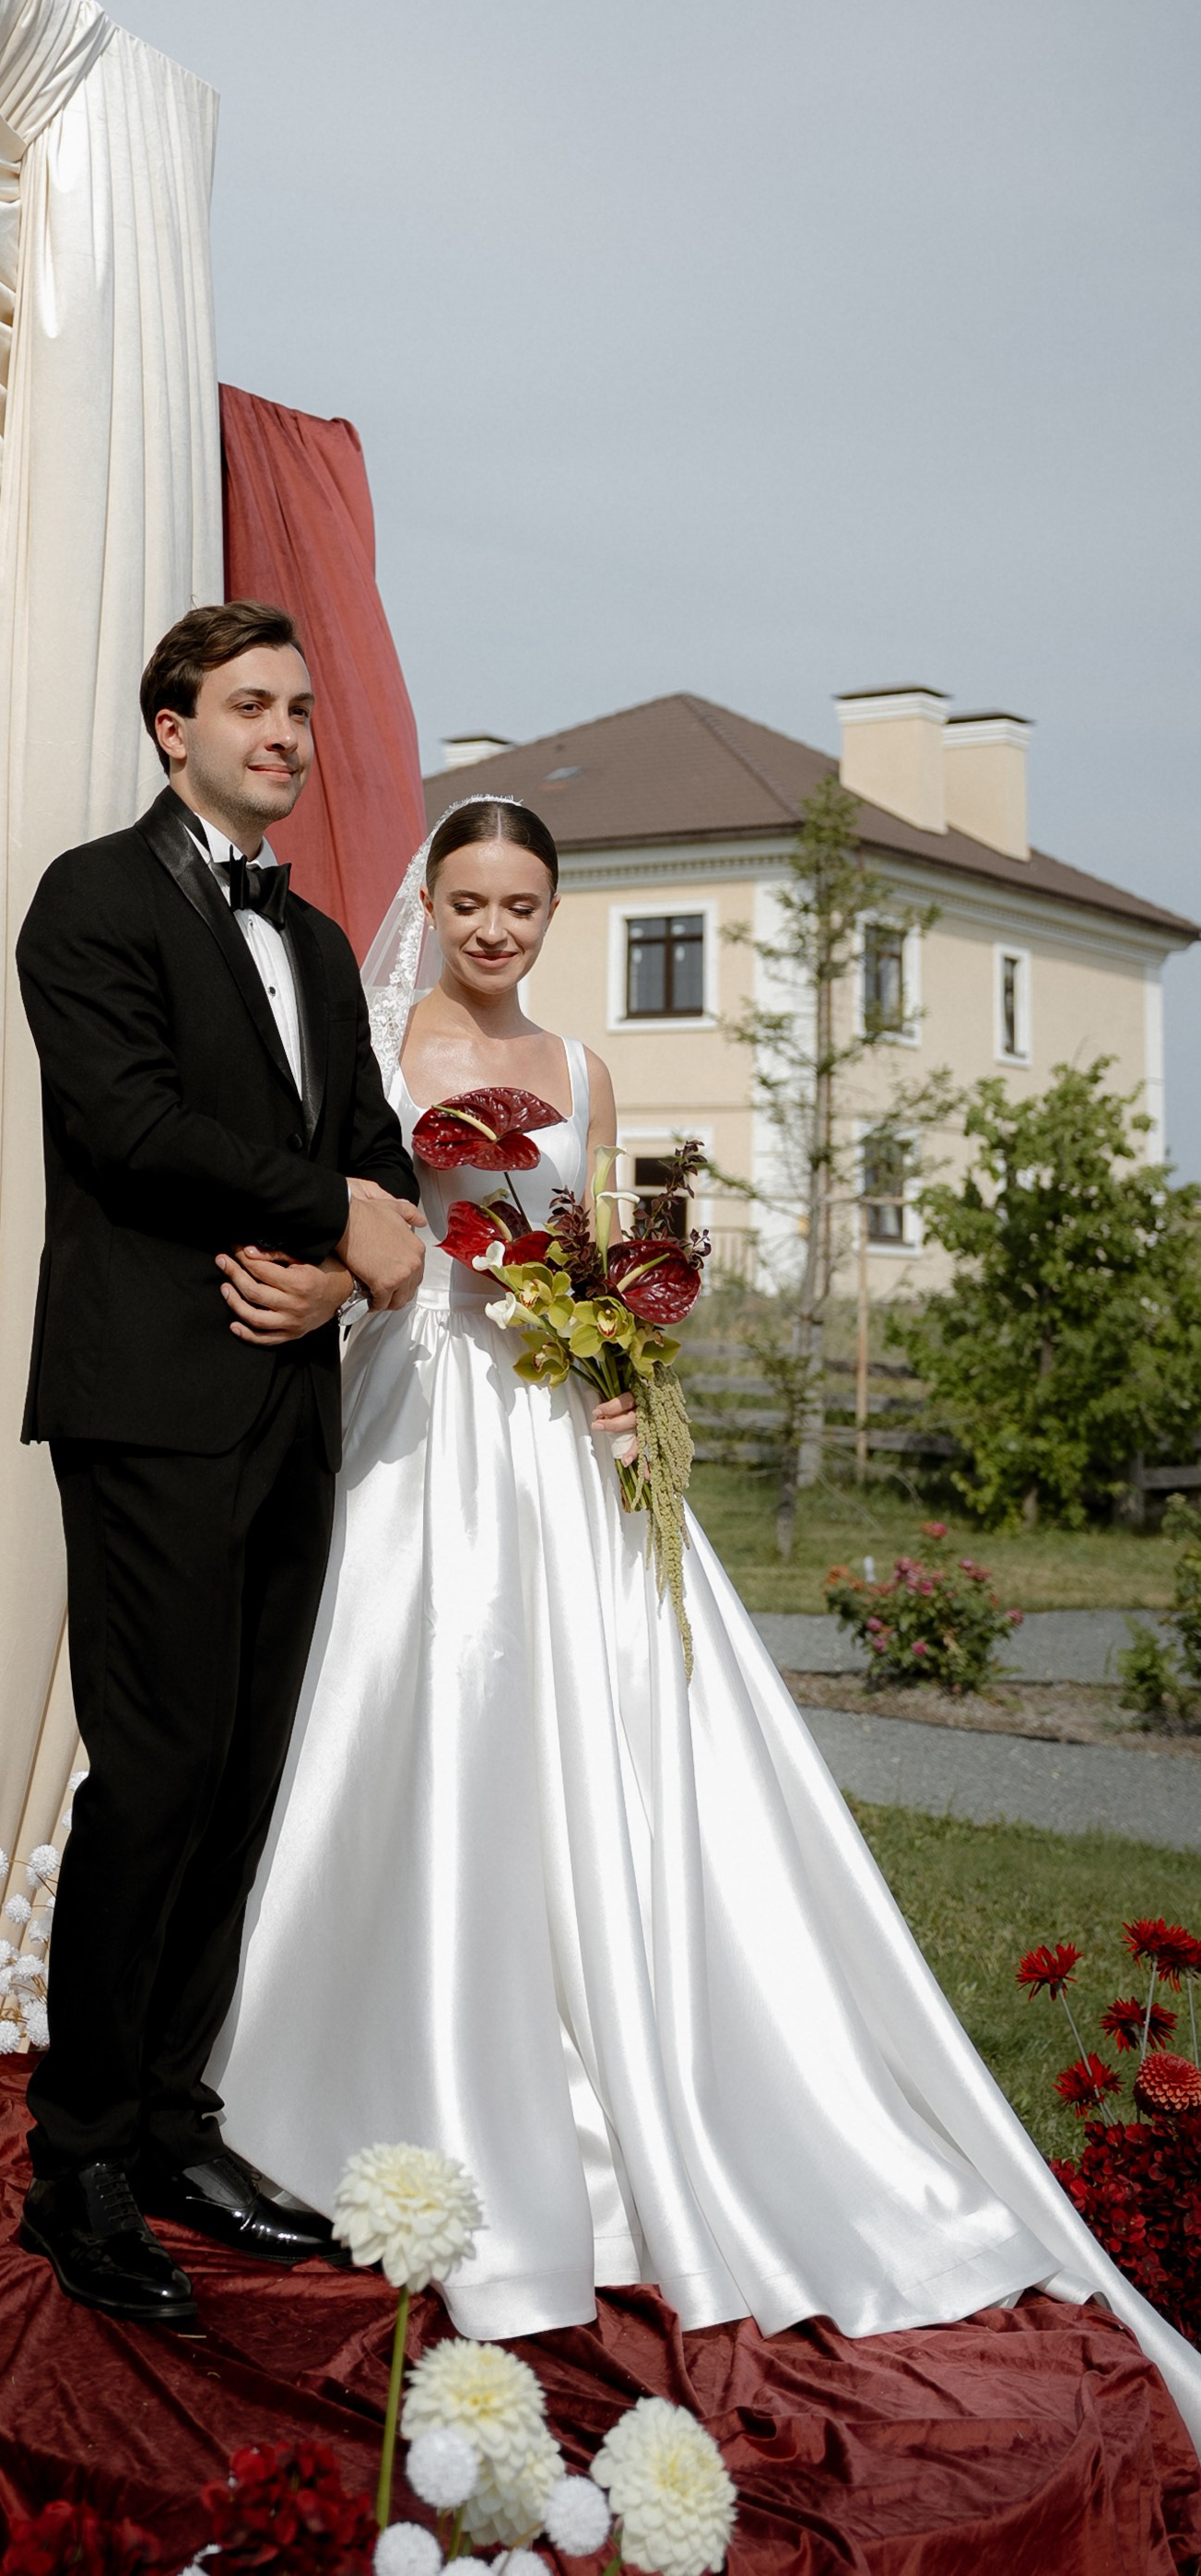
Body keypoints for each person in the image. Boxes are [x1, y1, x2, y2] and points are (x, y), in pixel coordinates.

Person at [215, 794, 1201, 2443]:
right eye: (468, 900)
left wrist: (618, 1356)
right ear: (429, 903)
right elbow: (359, 1221)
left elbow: (602, 1240)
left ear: (552, 908)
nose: (494, 930)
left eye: (522, 903)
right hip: (423, 1411)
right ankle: (351, 2045)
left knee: (602, 1721)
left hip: (556, 1430)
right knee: (410, 1699)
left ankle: (630, 2032)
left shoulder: (587, 1070)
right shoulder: (371, 1045)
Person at [10, 601, 425, 2322]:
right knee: (154, 1776)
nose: (288, 730)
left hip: (290, 1409)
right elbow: (125, 1123)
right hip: (149, 1402)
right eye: (251, 704)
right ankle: (78, 2161)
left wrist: (342, 1259)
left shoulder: (322, 944)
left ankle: (178, 2121)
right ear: (169, 725)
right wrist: (327, 1211)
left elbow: (378, 1158)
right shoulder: (90, 899)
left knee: (241, 1778)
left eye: (301, 708)